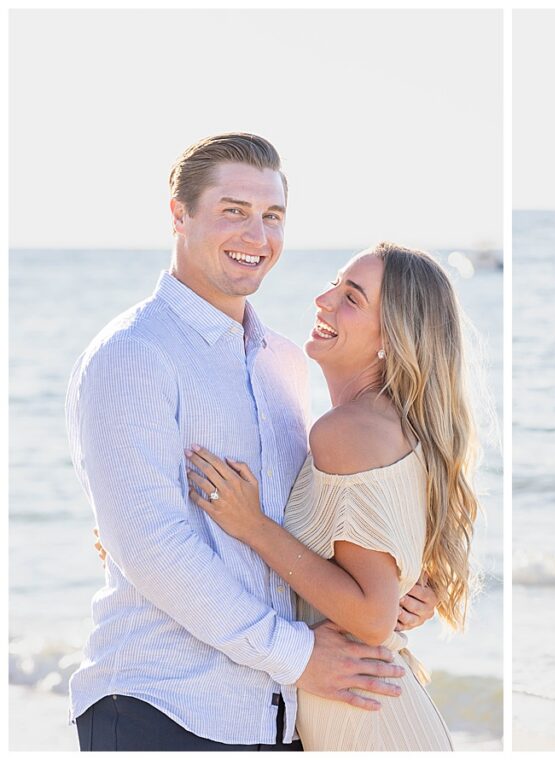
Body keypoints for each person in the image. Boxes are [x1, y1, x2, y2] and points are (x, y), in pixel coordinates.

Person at [66, 133, 437, 751]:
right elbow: (150, 546)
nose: (256, 237)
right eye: (233, 211)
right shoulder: (133, 354)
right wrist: (297, 656)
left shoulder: (285, 365)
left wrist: (395, 590)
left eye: (272, 217)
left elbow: (312, 525)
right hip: (163, 705)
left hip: (277, 718)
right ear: (179, 215)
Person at [184, 242, 479, 750]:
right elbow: (388, 584)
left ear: (392, 337)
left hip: (368, 721)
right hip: (370, 707)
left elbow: (370, 616)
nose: (323, 300)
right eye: (334, 283)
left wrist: (254, 527)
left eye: (352, 298)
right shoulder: (387, 426)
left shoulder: (348, 431)